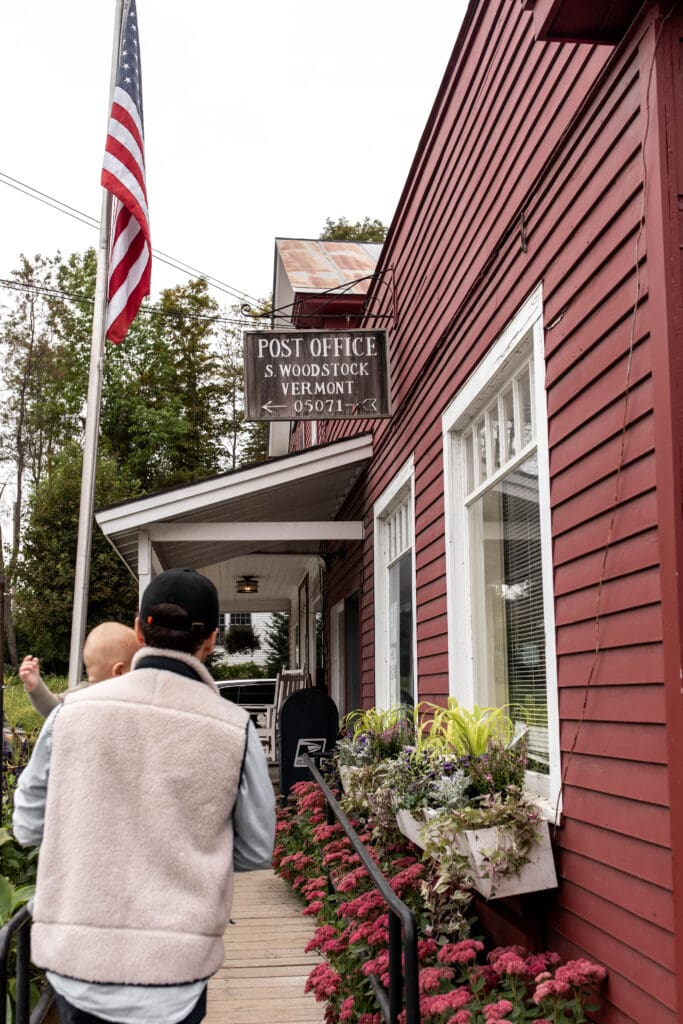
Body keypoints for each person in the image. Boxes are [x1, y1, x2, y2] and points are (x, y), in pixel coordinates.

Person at [13, 568, 276, 1024]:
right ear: (211, 641)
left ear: (139, 631)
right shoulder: (235, 729)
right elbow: (256, 849)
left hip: (78, 963)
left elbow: (27, 826)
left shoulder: (71, 714)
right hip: (177, 971)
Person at [19, 622, 140, 717]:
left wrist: (36, 687)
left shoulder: (78, 695)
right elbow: (54, 708)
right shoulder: (130, 698)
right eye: (136, 666)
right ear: (119, 671)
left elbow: (52, 708)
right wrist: (36, 687)